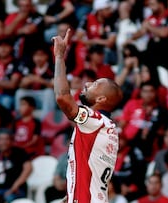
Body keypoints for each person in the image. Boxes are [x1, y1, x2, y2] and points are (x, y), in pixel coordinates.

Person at [53, 28, 122, 202]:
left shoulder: (95, 120)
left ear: (101, 98)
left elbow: (62, 98)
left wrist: (60, 57)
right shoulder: (107, 127)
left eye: (95, 84)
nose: (88, 83)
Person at [117, 82, 168, 160]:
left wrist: (151, 131)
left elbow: (163, 131)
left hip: (147, 146)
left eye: (151, 91)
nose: (148, 94)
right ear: (141, 92)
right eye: (145, 91)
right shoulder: (132, 104)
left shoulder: (161, 111)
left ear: (155, 93)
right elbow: (122, 123)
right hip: (127, 143)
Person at [129, 0, 168, 68]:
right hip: (153, 53)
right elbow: (141, 32)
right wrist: (132, 36)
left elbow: (165, 33)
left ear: (160, 4)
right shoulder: (151, 18)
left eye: (152, 4)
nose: (150, 7)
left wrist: (149, 27)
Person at [0, 129, 32, 202]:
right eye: (1, 139)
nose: (3, 142)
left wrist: (15, 186)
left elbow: (28, 168)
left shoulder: (19, 153)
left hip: (16, 190)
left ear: (11, 141)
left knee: (8, 198)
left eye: (6, 139)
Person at [15, 45, 55, 120]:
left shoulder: (52, 68)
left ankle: (46, 120)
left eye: (41, 55)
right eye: (36, 55)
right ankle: (19, 119)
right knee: (19, 92)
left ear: (46, 56)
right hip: (32, 95)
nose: (38, 58)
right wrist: (25, 83)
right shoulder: (29, 67)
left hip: (45, 96)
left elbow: (56, 87)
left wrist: (41, 81)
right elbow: (21, 85)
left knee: (49, 92)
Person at [113, 134, 147, 201]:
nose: (117, 142)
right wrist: (119, 187)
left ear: (125, 140)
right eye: (115, 139)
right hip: (115, 188)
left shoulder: (134, 152)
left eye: (120, 139)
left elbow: (141, 170)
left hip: (133, 187)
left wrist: (132, 187)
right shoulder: (109, 152)